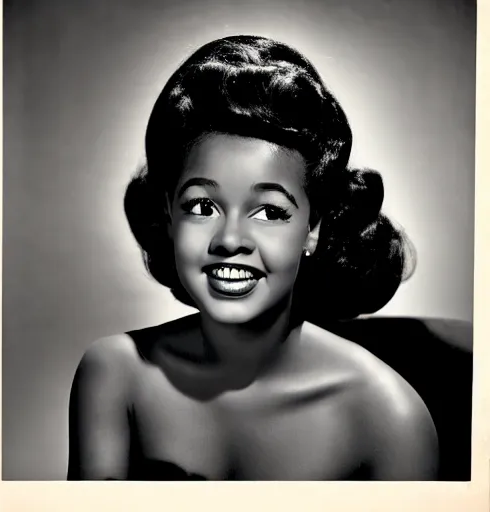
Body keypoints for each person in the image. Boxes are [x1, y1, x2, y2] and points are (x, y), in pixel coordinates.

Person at [67, 35, 438, 481]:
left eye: (270, 212)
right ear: (168, 215)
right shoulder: (115, 375)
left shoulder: (389, 419)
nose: (230, 239)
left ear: (314, 229)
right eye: (202, 206)